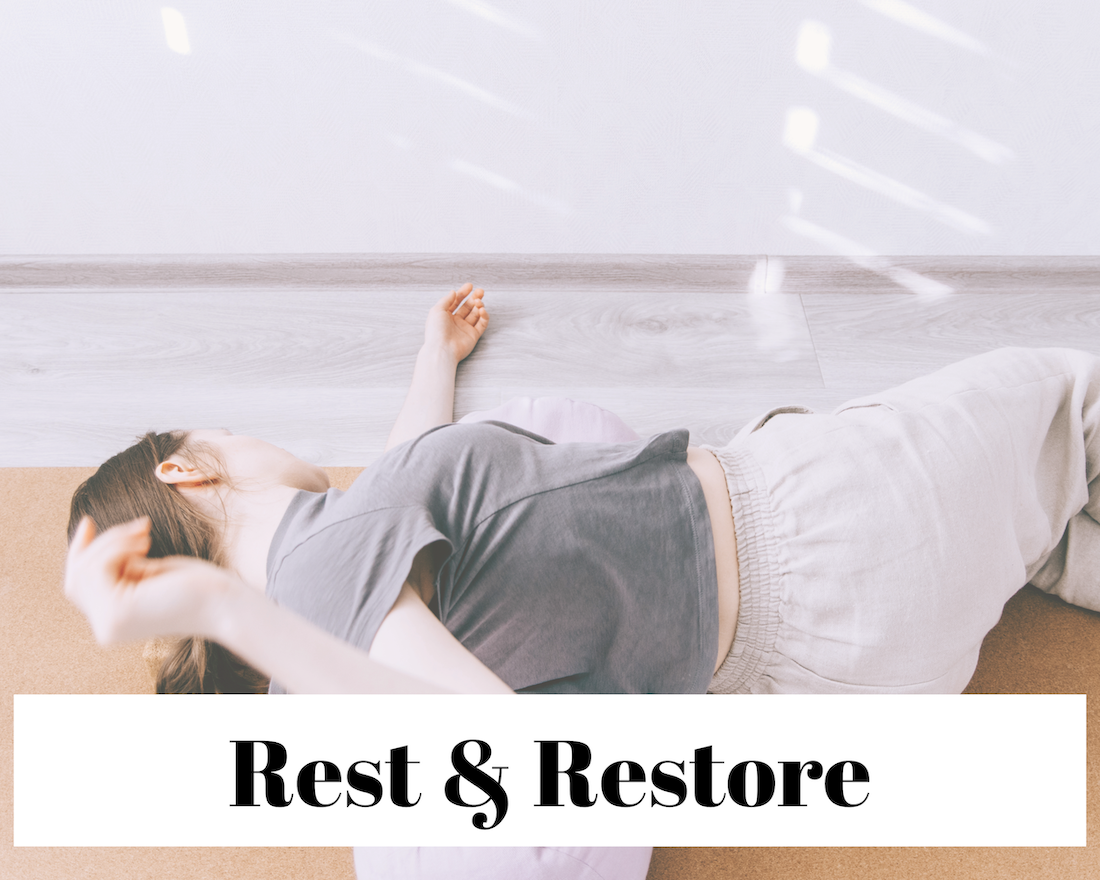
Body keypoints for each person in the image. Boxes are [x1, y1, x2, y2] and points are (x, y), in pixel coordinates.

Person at [64, 284, 1100, 697]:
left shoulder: (339, 577)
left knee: (1042, 529)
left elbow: (404, 460)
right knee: (1063, 399)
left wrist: (435, 357)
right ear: (185, 467)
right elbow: (496, 753)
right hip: (831, 534)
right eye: (225, 431)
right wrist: (216, 601)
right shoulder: (318, 567)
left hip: (812, 670)